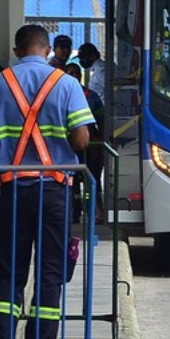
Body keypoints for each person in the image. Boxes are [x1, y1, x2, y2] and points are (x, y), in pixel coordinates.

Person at [0, 24, 94, 339]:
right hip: (54, 191)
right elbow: (82, 140)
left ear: (16, 50)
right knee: (50, 274)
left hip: (12, 189)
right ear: (47, 50)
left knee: (9, 272)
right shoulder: (68, 84)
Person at [63, 62, 106, 225]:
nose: (73, 76)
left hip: (90, 145)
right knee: (72, 182)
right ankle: (74, 212)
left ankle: (97, 211)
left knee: (92, 179)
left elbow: (101, 120)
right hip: (68, 146)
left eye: (76, 73)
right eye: (70, 73)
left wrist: (100, 142)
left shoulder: (91, 96)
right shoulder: (61, 94)